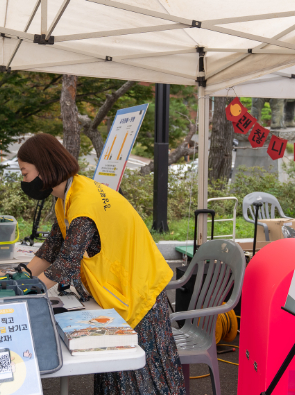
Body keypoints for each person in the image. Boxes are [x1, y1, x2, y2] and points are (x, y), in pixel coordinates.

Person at [20, 134, 185, 394]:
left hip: (138, 295)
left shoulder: (84, 203)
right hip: (121, 291)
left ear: (45, 167)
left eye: (25, 173)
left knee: (141, 382)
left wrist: (25, 293)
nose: (24, 181)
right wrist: (23, 278)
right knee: (117, 378)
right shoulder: (70, 195)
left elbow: (66, 263)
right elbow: (52, 246)